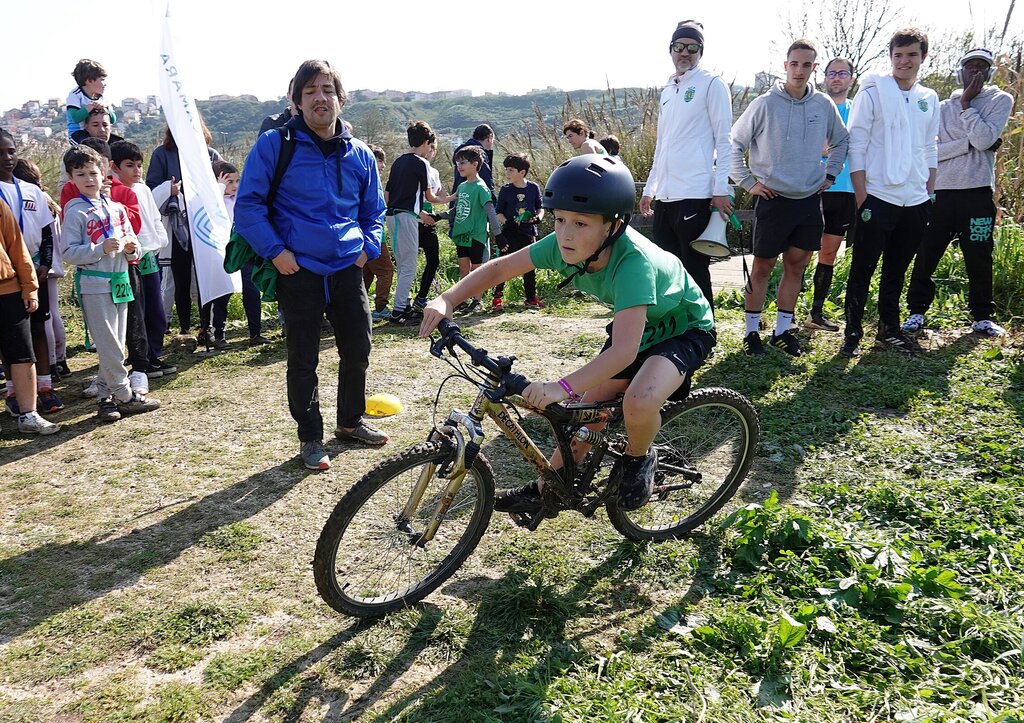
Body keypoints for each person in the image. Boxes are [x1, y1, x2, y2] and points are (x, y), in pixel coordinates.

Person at [419, 155, 715, 513]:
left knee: (638, 401)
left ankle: (639, 458)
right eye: (559, 219)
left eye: (581, 223)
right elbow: (500, 268)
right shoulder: (563, 246)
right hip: (639, 324)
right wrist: (447, 299)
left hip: (684, 327)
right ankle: (547, 488)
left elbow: (624, 351)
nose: (565, 233)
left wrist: (560, 386)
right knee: (586, 412)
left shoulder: (634, 263)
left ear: (613, 226)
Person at [234, 59, 388, 471]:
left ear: (341, 99)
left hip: (347, 268)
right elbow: (247, 207)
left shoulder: (360, 153)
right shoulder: (275, 145)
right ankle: (310, 437)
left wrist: (367, 248)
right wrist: (276, 252)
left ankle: (350, 421)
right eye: (310, 91)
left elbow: (374, 210)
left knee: (358, 348)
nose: (320, 98)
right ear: (296, 101)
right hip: (298, 270)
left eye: (327, 90)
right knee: (303, 358)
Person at [730, 39, 849, 357]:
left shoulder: (823, 104)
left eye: (806, 64)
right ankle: (751, 333)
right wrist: (748, 182)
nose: (799, 70)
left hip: (809, 200)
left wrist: (830, 174)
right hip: (773, 198)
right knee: (763, 267)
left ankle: (783, 331)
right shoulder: (764, 104)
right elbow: (733, 143)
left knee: (796, 267)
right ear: (785, 65)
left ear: (814, 67)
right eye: (794, 64)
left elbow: (841, 140)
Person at [841, 27, 939, 357]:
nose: (904, 61)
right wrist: (861, 196)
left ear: (923, 56)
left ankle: (889, 329)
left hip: (916, 200)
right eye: (898, 55)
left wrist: (929, 188)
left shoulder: (929, 98)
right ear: (891, 57)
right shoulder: (873, 93)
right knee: (862, 268)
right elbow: (857, 144)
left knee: (896, 271)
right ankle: (852, 332)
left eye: (911, 55)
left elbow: (930, 146)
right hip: (878, 196)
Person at [903, 48, 1013, 337]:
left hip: (978, 192)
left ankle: (982, 316)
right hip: (941, 193)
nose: (975, 71)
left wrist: (966, 105)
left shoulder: (1000, 100)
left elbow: (984, 139)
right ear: (960, 71)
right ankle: (916, 311)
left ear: (989, 72)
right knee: (927, 252)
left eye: (982, 66)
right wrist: (967, 144)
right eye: (970, 66)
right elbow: (930, 151)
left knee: (979, 254)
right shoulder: (940, 107)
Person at [639, 19, 734, 310]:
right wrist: (650, 189)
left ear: (700, 52)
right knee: (669, 268)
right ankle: (678, 325)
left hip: (695, 193)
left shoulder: (712, 84)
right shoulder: (668, 89)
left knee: (695, 268)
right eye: (679, 46)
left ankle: (705, 328)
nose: (685, 53)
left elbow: (725, 141)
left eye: (693, 48)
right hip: (666, 196)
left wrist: (721, 190)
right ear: (671, 49)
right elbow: (662, 144)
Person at [61, 146, 160, 422]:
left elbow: (134, 242)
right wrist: (99, 249)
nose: (89, 179)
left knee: (116, 341)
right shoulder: (75, 211)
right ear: (71, 178)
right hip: (94, 284)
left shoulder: (116, 208)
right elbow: (68, 252)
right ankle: (126, 396)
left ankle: (105, 398)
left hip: (121, 281)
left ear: (104, 171)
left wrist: (131, 248)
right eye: (81, 174)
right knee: (109, 345)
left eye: (93, 173)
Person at [146, 122, 224, 347]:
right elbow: (151, 188)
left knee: (205, 279)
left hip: (204, 227)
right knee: (181, 279)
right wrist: (168, 190)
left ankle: (206, 327)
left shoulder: (210, 154)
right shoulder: (162, 154)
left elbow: (223, 182)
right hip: (177, 225)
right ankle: (184, 329)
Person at [110, 141, 178, 375]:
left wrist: (161, 241)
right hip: (130, 258)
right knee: (136, 310)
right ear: (114, 167)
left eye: (139, 165)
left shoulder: (143, 190)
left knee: (155, 308)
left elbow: (155, 218)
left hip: (150, 255)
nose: (137, 170)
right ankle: (140, 359)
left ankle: (154, 355)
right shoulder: (113, 192)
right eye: (130, 165)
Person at [805, 58, 858, 332]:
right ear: (824, 78)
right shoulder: (813, 106)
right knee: (800, 253)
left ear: (851, 78)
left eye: (842, 73)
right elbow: (815, 147)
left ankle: (815, 314)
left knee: (828, 253)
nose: (837, 77)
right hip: (812, 189)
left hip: (845, 190)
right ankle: (786, 315)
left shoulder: (858, 110)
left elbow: (856, 146)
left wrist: (833, 147)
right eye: (831, 73)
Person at [385, 121, 454, 325]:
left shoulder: (398, 162)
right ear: (425, 143)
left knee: (403, 264)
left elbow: (388, 195)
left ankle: (403, 305)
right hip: (406, 217)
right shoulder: (421, 163)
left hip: (392, 216)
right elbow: (430, 196)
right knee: (409, 265)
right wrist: (450, 199)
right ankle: (398, 312)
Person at [0, 201, 58, 434]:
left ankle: (29, 415)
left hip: (8, 289)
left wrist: (29, 288)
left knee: (22, 355)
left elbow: (17, 246)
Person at [12, 160, 69, 380]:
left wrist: (45, 261)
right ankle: (58, 362)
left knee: (42, 319)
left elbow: (45, 234)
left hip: (40, 266)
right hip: (47, 264)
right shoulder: (47, 198)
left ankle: (52, 364)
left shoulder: (35, 197)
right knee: (50, 315)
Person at [450, 146, 501, 314]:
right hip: (461, 234)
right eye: (458, 163)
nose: (460, 166)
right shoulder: (462, 186)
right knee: (463, 269)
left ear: (475, 164)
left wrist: (498, 234)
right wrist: (438, 216)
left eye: (463, 163)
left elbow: (490, 211)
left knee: (476, 269)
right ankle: (463, 299)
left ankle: (477, 300)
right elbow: (457, 209)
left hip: (476, 235)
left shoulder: (481, 187)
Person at [493, 153, 545, 311]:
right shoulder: (506, 190)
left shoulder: (533, 188)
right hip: (510, 233)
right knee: (503, 264)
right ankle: (497, 298)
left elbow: (540, 207)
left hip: (528, 232)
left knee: (529, 266)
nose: (507, 173)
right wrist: (506, 221)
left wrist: (538, 218)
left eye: (511, 170)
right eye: (506, 170)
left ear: (522, 172)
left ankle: (531, 298)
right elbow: (498, 212)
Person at [412, 141, 446, 311]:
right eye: (429, 147)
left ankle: (421, 297)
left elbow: (437, 195)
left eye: (433, 149)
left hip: (429, 219)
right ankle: (402, 301)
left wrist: (449, 197)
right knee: (409, 262)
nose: (430, 152)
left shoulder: (434, 172)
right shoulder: (413, 167)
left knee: (433, 259)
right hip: (413, 218)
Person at [363, 145, 395, 320]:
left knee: (366, 274)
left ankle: (356, 307)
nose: (382, 165)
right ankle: (380, 308)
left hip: (366, 236)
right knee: (386, 270)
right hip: (373, 237)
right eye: (379, 160)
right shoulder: (369, 183)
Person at [66, 59, 116, 144]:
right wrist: (91, 107)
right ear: (89, 81)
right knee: (91, 146)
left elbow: (113, 119)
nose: (105, 84)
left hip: (96, 133)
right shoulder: (75, 95)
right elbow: (75, 118)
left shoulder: (102, 98)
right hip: (78, 134)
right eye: (102, 80)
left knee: (119, 144)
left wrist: (105, 108)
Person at [452, 124, 496, 198]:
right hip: (475, 200)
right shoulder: (478, 154)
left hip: (460, 198)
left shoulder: (461, 153)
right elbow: (486, 182)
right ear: (489, 137)